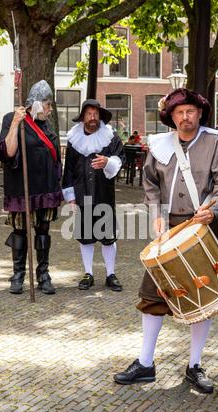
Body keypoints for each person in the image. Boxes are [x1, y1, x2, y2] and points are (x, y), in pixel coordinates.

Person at [114, 88, 218, 393]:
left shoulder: (216, 143)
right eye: (179, 112)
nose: (185, 117)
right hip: (169, 229)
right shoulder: (159, 146)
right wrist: (155, 213)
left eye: (190, 111)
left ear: (200, 114)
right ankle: (145, 364)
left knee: (204, 297)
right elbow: (151, 183)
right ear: (170, 117)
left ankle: (195, 366)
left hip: (205, 227)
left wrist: (214, 209)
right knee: (153, 296)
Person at [0, 80, 63, 295]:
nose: (50, 109)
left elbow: (54, 158)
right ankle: (18, 274)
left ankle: (43, 274)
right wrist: (16, 123)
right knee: (20, 231)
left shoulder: (47, 126)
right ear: (35, 104)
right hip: (21, 188)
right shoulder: (13, 119)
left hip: (45, 188)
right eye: (47, 104)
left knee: (43, 231)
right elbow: (7, 152)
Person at [62, 99, 124, 292]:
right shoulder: (74, 140)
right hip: (82, 195)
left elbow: (120, 159)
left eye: (95, 114)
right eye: (89, 114)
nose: (92, 117)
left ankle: (110, 274)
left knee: (108, 237)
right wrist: (70, 196)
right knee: (86, 237)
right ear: (83, 117)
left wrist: (108, 162)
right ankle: (88, 273)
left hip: (104, 193)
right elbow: (69, 170)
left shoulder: (111, 138)